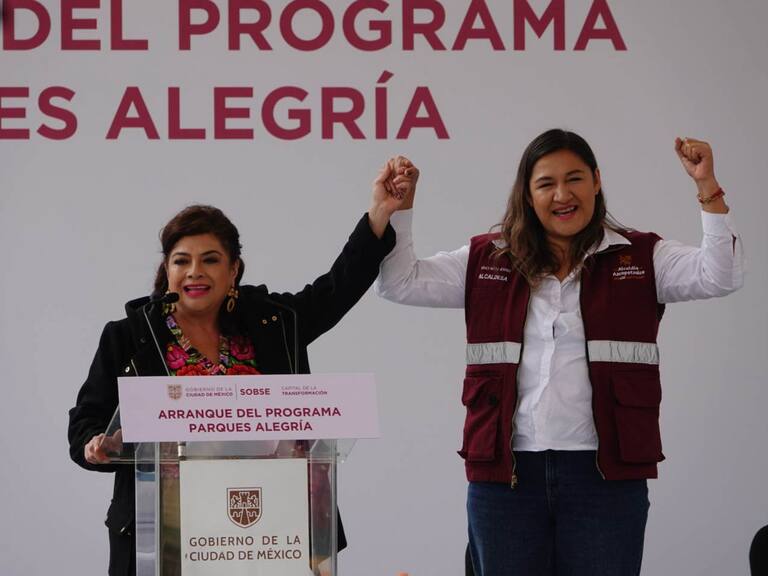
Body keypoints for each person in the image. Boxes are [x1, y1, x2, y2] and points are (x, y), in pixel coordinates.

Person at [373, 129, 744, 576]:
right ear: (528, 196)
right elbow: (399, 283)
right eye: (546, 183)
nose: (563, 195)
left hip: (604, 478)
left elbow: (720, 275)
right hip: (506, 479)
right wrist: (398, 211)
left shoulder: (641, 256)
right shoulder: (487, 258)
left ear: (597, 181)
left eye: (575, 179)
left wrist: (707, 186)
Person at [68, 199, 404, 576]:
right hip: (169, 537)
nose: (195, 272)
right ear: (167, 269)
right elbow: (85, 424)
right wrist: (100, 444)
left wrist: (379, 216)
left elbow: (335, 290)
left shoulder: (272, 323)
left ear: (234, 269)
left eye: (210, 259)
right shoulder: (129, 337)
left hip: (274, 527)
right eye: (181, 261)